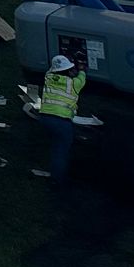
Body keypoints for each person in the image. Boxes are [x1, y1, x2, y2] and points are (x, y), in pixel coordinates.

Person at [35, 53, 86, 184]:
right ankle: (57, 180)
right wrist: (80, 68)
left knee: (55, 145)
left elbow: (52, 70)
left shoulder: (48, 78)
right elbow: (82, 78)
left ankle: (53, 170)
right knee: (61, 150)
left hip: (45, 117)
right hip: (61, 121)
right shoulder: (73, 84)